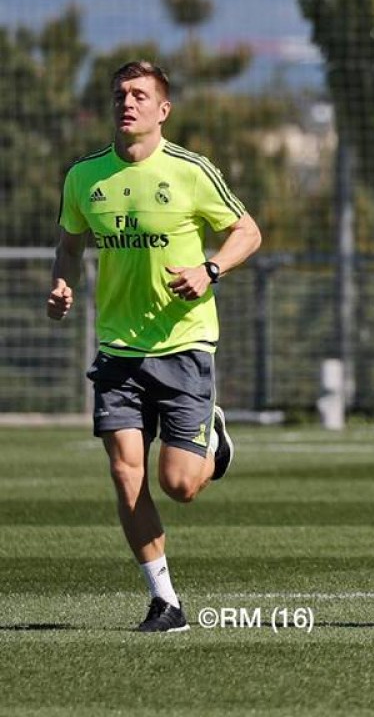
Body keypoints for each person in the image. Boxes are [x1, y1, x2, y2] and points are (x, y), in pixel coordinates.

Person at [47, 60, 262, 632]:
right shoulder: (83, 177)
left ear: (163, 110)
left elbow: (248, 232)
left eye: (140, 95)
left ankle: (212, 437)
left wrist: (209, 269)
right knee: (126, 475)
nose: (128, 102)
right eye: (120, 93)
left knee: (180, 485)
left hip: (184, 344)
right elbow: (69, 245)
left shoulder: (191, 171)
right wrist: (62, 282)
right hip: (118, 350)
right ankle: (165, 602)